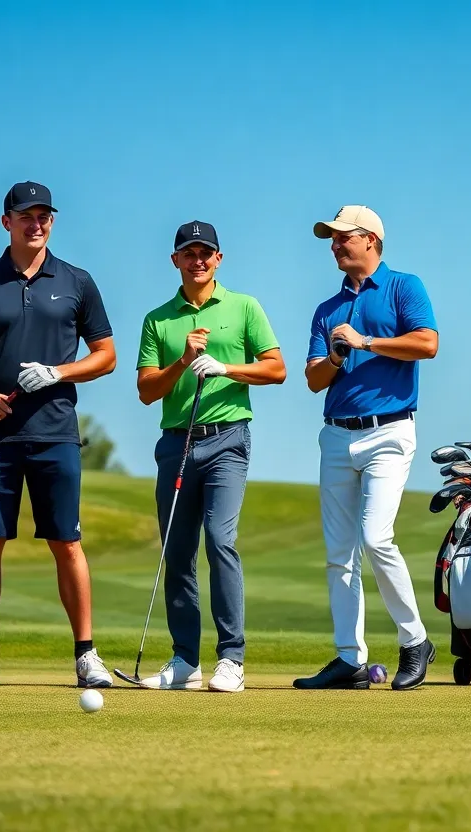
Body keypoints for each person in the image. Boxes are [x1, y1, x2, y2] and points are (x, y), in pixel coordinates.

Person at [0, 181, 116, 688]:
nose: (35, 224)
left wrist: (59, 373)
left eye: (44, 216)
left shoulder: (77, 281)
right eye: (25, 216)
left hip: (55, 432)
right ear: (7, 222)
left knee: (66, 541)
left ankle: (86, 655)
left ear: (52, 222)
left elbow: (106, 356)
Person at [293, 206, 439, 691]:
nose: (335, 245)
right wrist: (336, 354)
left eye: (343, 237)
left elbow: (427, 343)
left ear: (371, 240)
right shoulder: (326, 309)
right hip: (336, 433)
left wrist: (366, 342)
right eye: (331, 239)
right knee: (340, 553)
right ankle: (349, 659)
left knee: (376, 538)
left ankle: (415, 640)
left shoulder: (404, 286)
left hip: (389, 432)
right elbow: (314, 379)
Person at [135, 221, 285, 693]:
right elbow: (145, 390)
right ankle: (185, 660)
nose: (198, 260)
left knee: (220, 541)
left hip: (228, 440)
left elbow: (276, 370)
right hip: (176, 442)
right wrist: (181, 361)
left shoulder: (244, 307)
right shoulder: (158, 319)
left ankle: (231, 659)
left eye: (206, 252)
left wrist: (224, 367)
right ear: (175, 260)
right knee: (177, 552)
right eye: (189, 252)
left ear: (219, 259)